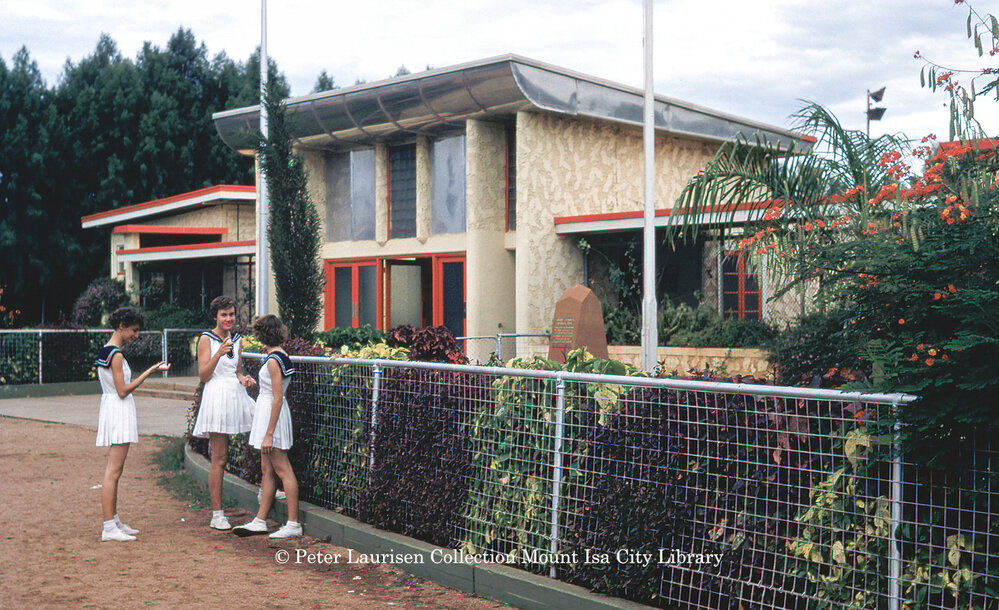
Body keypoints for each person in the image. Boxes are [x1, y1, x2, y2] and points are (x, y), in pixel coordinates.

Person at [95, 306, 169, 542]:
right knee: (113, 471)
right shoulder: (115, 354)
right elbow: (123, 390)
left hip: (114, 409)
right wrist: (150, 371)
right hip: (118, 409)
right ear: (121, 326)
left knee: (115, 470)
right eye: (134, 330)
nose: (136, 335)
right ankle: (109, 526)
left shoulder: (108, 350)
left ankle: (114, 520)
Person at [233, 314, 301, 539]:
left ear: (262, 335)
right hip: (269, 415)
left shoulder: (274, 360)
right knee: (268, 469)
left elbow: (277, 397)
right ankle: (260, 520)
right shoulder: (280, 355)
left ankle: (293, 524)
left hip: (272, 417)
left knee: (283, 469)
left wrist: (269, 433)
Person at [191, 295, 255, 530]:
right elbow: (203, 375)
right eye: (224, 315)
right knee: (220, 457)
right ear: (215, 317)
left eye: (231, 314)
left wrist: (244, 379)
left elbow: (236, 371)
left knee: (261, 435)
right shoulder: (206, 339)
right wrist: (218, 353)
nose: (228, 319)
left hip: (235, 396)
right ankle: (217, 514)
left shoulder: (238, 340)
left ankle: (268, 488)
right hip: (216, 397)